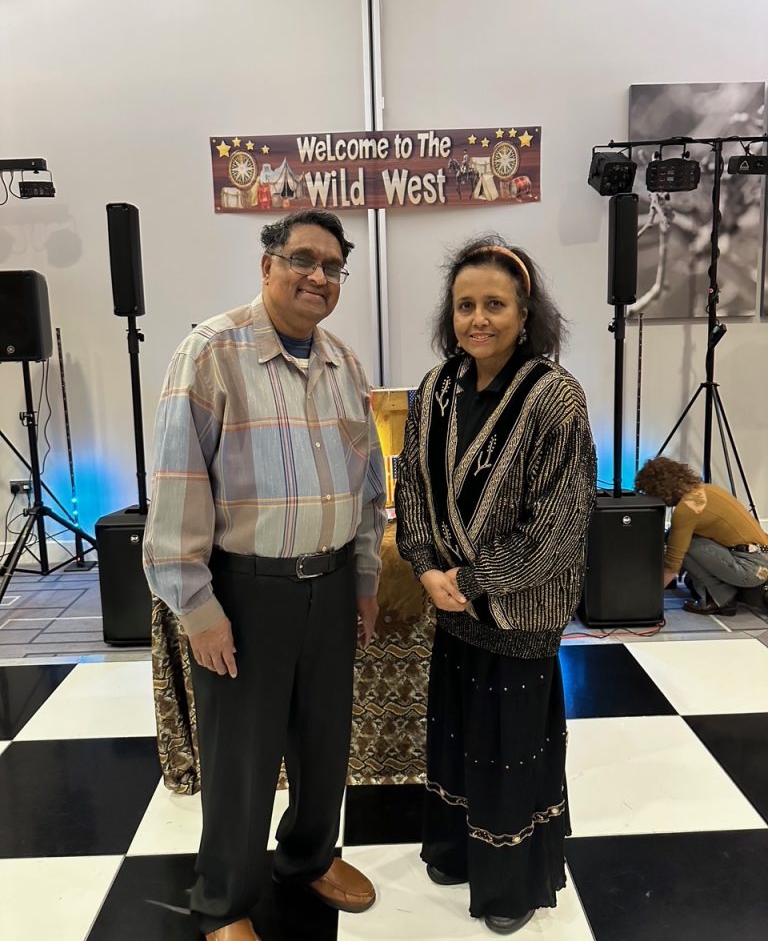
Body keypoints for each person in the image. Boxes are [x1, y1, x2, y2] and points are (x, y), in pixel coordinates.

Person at [144, 210, 387, 941]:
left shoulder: (345, 364)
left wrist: (365, 579)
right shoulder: (211, 353)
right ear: (267, 265)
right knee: (241, 759)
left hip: (332, 582)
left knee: (323, 742)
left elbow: (368, 488)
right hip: (245, 592)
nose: (319, 276)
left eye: (333, 267)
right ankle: (225, 901)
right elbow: (179, 485)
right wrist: (197, 606)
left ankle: (307, 858)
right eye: (303, 259)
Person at [394, 237, 595, 935]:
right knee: (457, 735)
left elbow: (560, 521)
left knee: (511, 748)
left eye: (494, 305)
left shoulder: (554, 396)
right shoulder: (436, 388)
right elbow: (411, 487)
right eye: (465, 305)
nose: (478, 319)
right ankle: (455, 851)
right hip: (451, 604)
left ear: (524, 312)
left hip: (519, 608)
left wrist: (476, 579)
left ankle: (510, 887)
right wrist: (425, 566)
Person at [635, 456, 768, 616]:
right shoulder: (707, 490)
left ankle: (720, 598)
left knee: (682, 543)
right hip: (760, 559)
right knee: (676, 536)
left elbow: (673, 563)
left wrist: (644, 601)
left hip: (751, 567)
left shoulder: (688, 508)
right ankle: (716, 592)